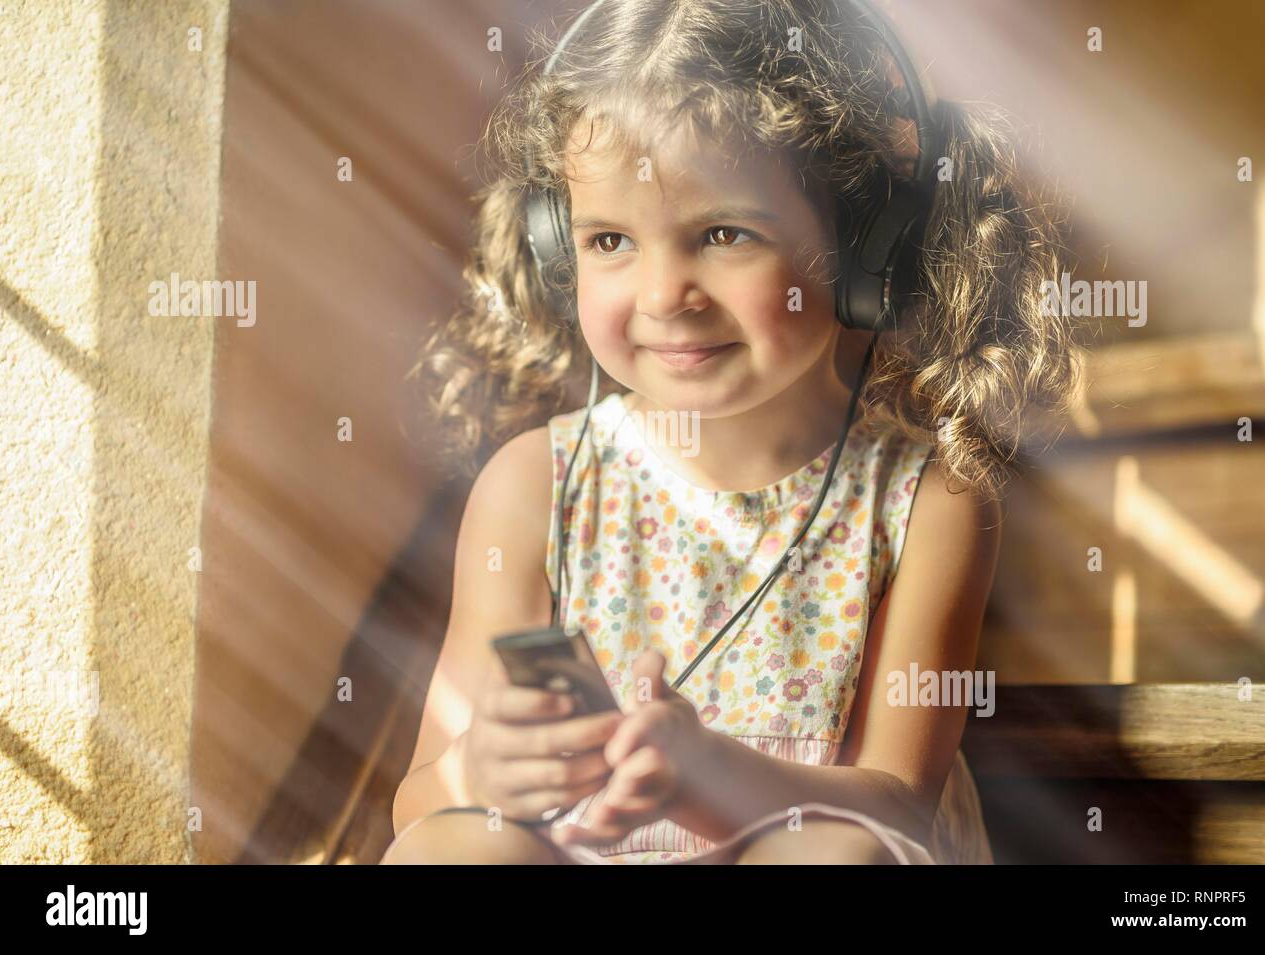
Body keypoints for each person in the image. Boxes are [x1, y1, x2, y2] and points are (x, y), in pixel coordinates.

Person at [384, 0, 1083, 865]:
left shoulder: (928, 501)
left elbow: (895, 804)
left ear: (864, 251)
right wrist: (476, 774)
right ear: (561, 248)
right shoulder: (535, 484)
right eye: (609, 239)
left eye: (722, 233)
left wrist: (708, 774)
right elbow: (416, 800)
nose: (663, 293)